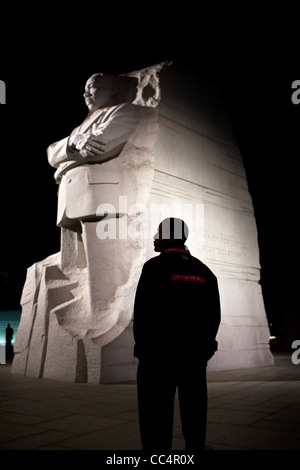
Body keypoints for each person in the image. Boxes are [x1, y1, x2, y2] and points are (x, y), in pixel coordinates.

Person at [133, 218, 221, 452]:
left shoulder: (153, 267)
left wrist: (143, 350)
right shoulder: (205, 271)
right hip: (193, 359)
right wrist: (205, 350)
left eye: (158, 232)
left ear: (169, 236)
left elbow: (142, 312)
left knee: (155, 419)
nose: (154, 237)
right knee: (194, 414)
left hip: (157, 359)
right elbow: (214, 316)